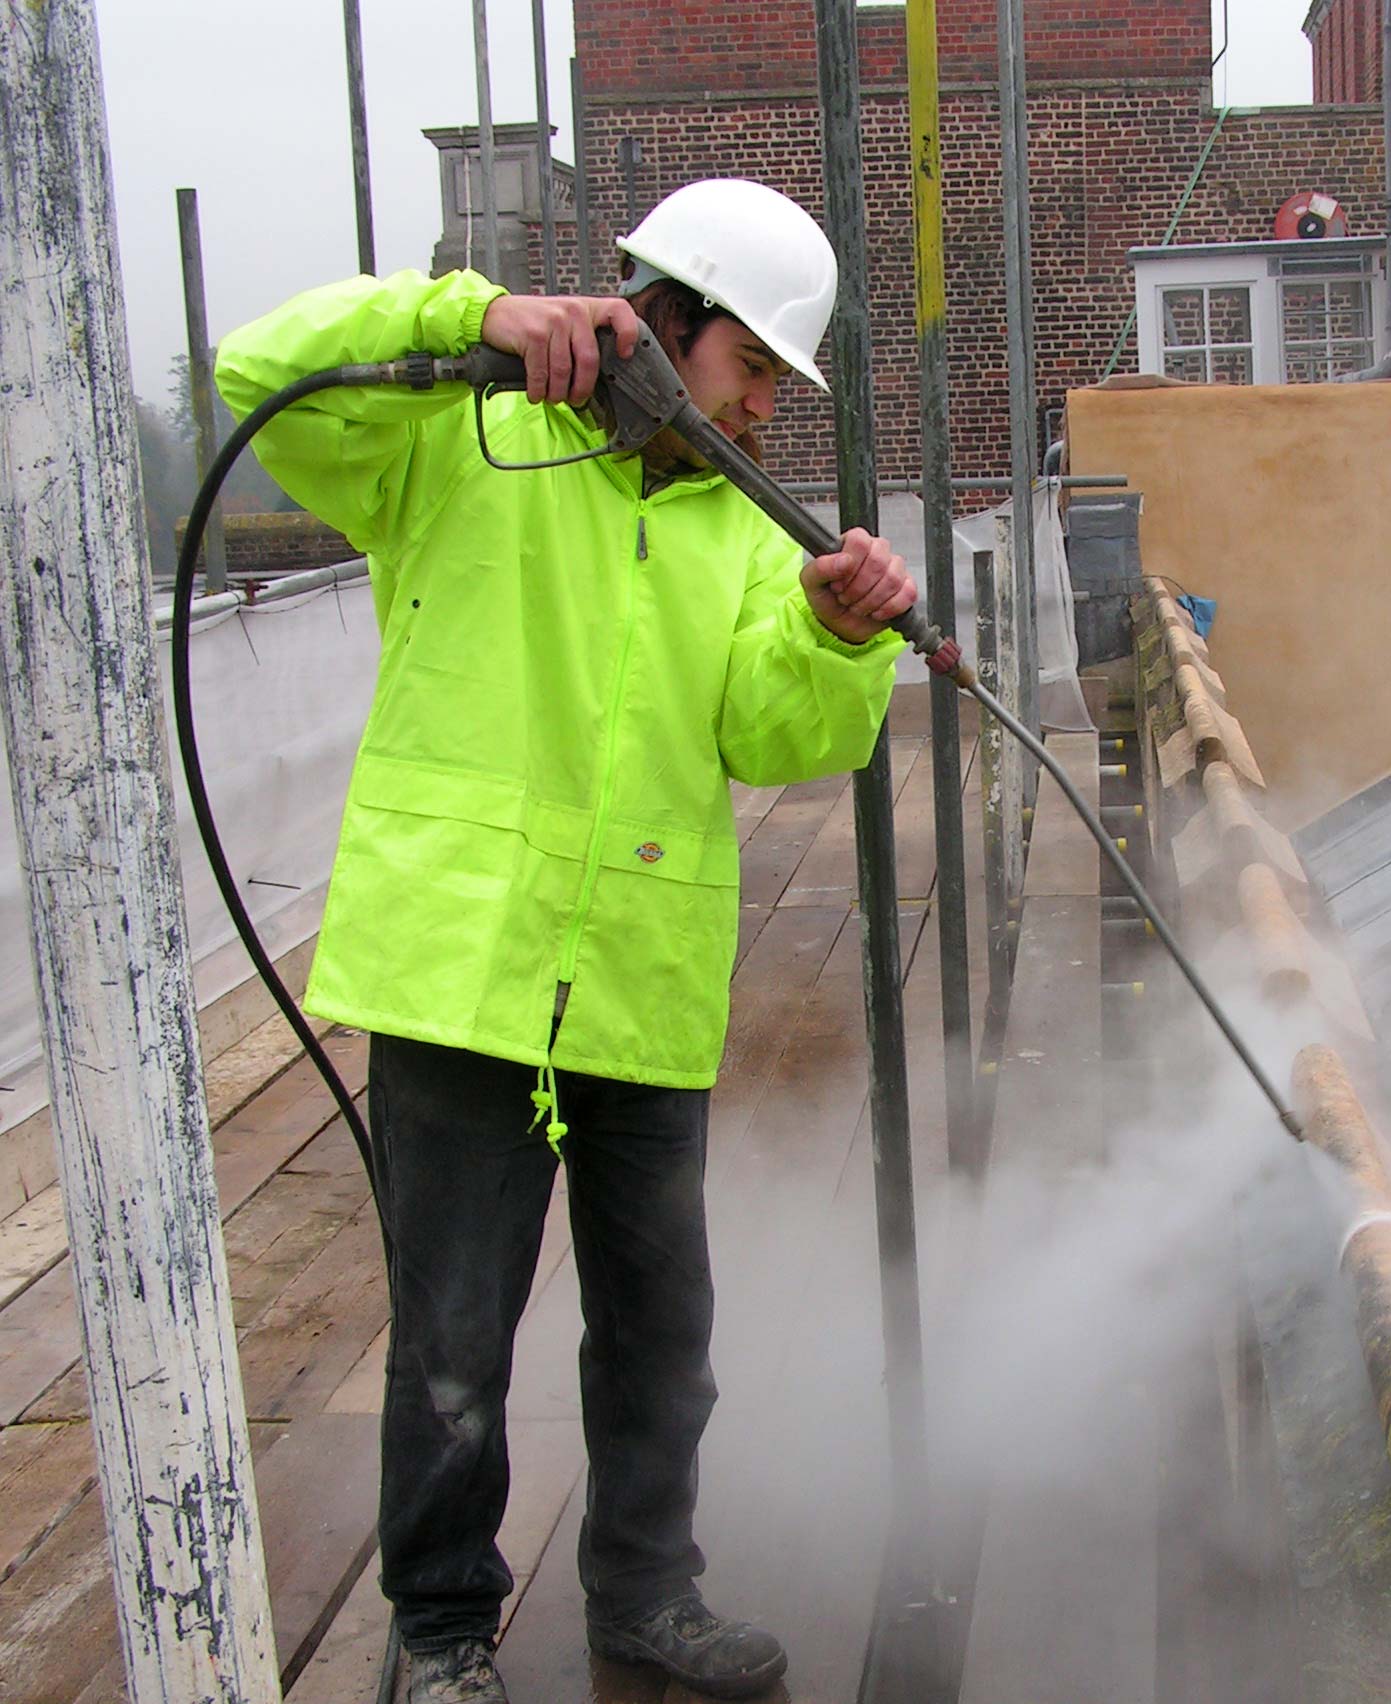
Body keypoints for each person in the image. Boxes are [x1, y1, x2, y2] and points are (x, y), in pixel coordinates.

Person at [217, 179, 936, 1704]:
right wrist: (461, 315)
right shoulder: (451, 438)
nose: (762, 412)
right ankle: (440, 1633)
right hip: (462, 972)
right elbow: (258, 377)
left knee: (663, 1333)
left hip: (636, 981)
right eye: (752, 371)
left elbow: (769, 732)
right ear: (665, 319)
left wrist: (835, 632)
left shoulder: (739, 524)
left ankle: (644, 1596)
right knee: (453, 1338)